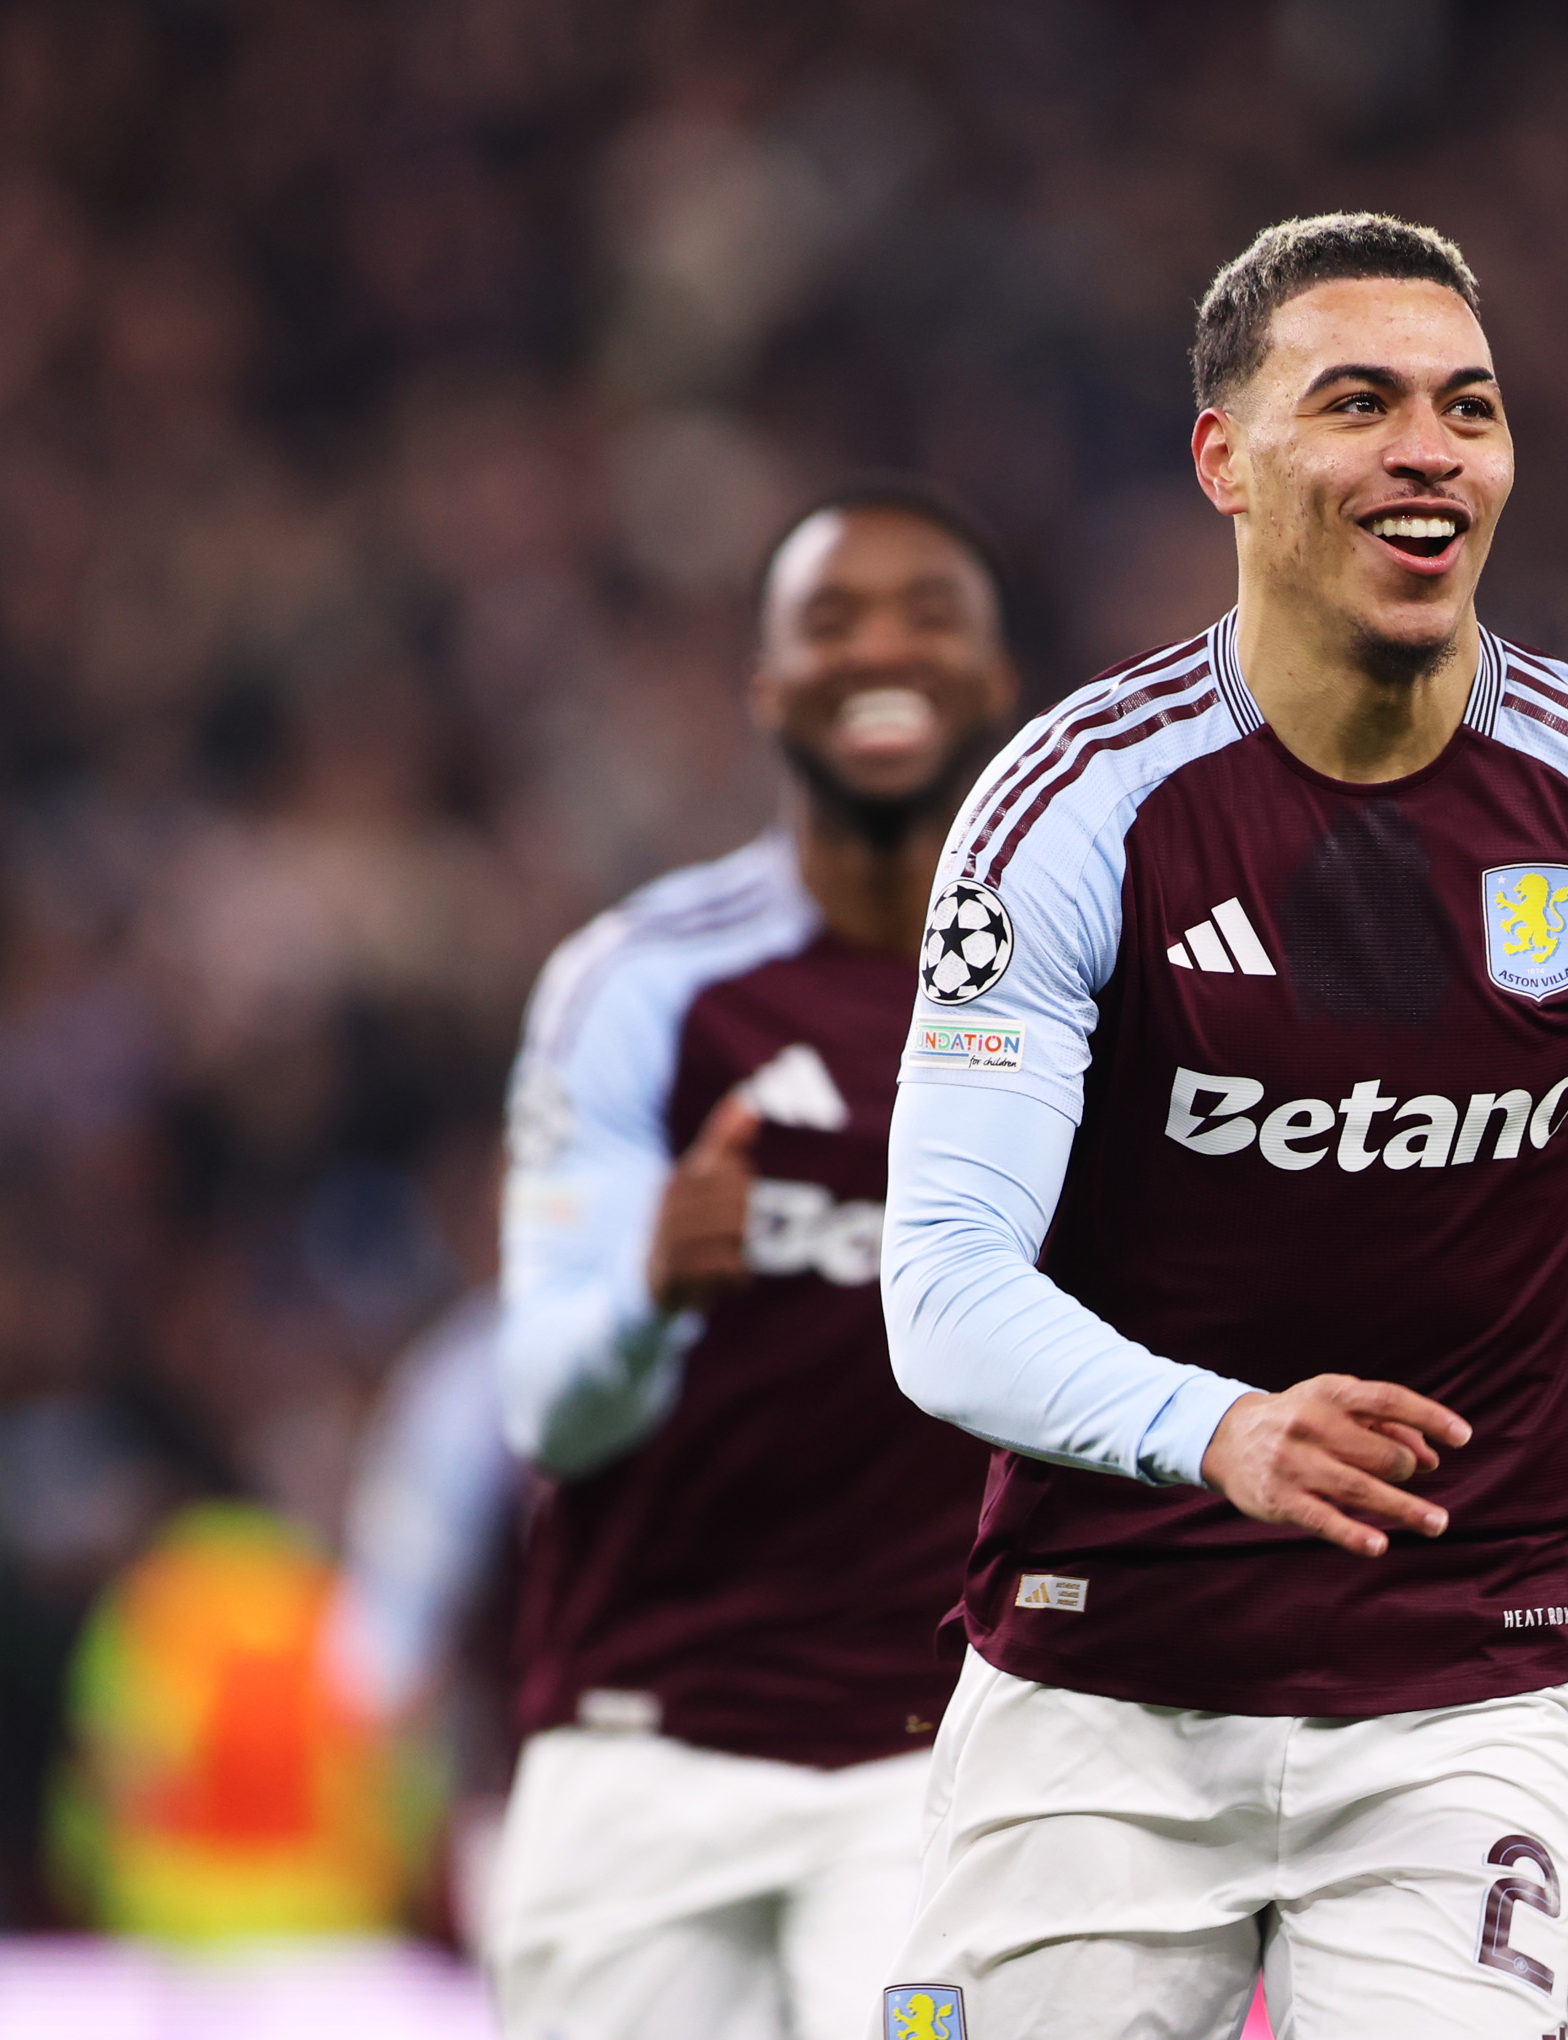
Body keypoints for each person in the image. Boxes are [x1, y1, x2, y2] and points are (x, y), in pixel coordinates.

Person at [876, 212, 1568, 2040]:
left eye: (1469, 407)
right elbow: (942, 1289)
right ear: (1226, 459)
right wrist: (1215, 1429)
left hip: (1471, 1689)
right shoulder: (1071, 816)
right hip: (1101, 1678)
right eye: (1359, 400)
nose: (1429, 449)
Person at [489, 482, 1017, 2040]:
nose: (881, 651)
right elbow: (544, 1409)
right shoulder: (643, 987)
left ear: (998, 682)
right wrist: (648, 1298)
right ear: (768, 686)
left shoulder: (1081, 999)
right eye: (832, 622)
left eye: (927, 614)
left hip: (943, 1762)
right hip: (644, 1746)